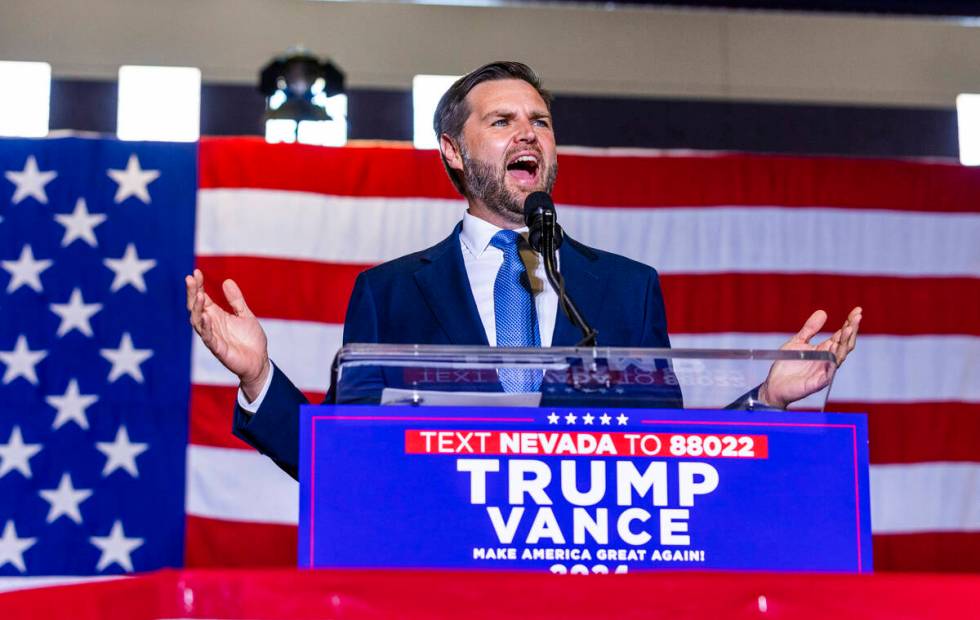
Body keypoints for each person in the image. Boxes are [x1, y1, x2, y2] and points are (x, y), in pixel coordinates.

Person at [185, 61, 862, 479]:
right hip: (443, 582)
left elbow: (674, 455)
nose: (529, 133)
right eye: (503, 120)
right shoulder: (390, 292)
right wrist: (257, 378)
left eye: (540, 121)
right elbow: (341, 466)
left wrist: (768, 401)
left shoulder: (625, 288)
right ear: (453, 151)